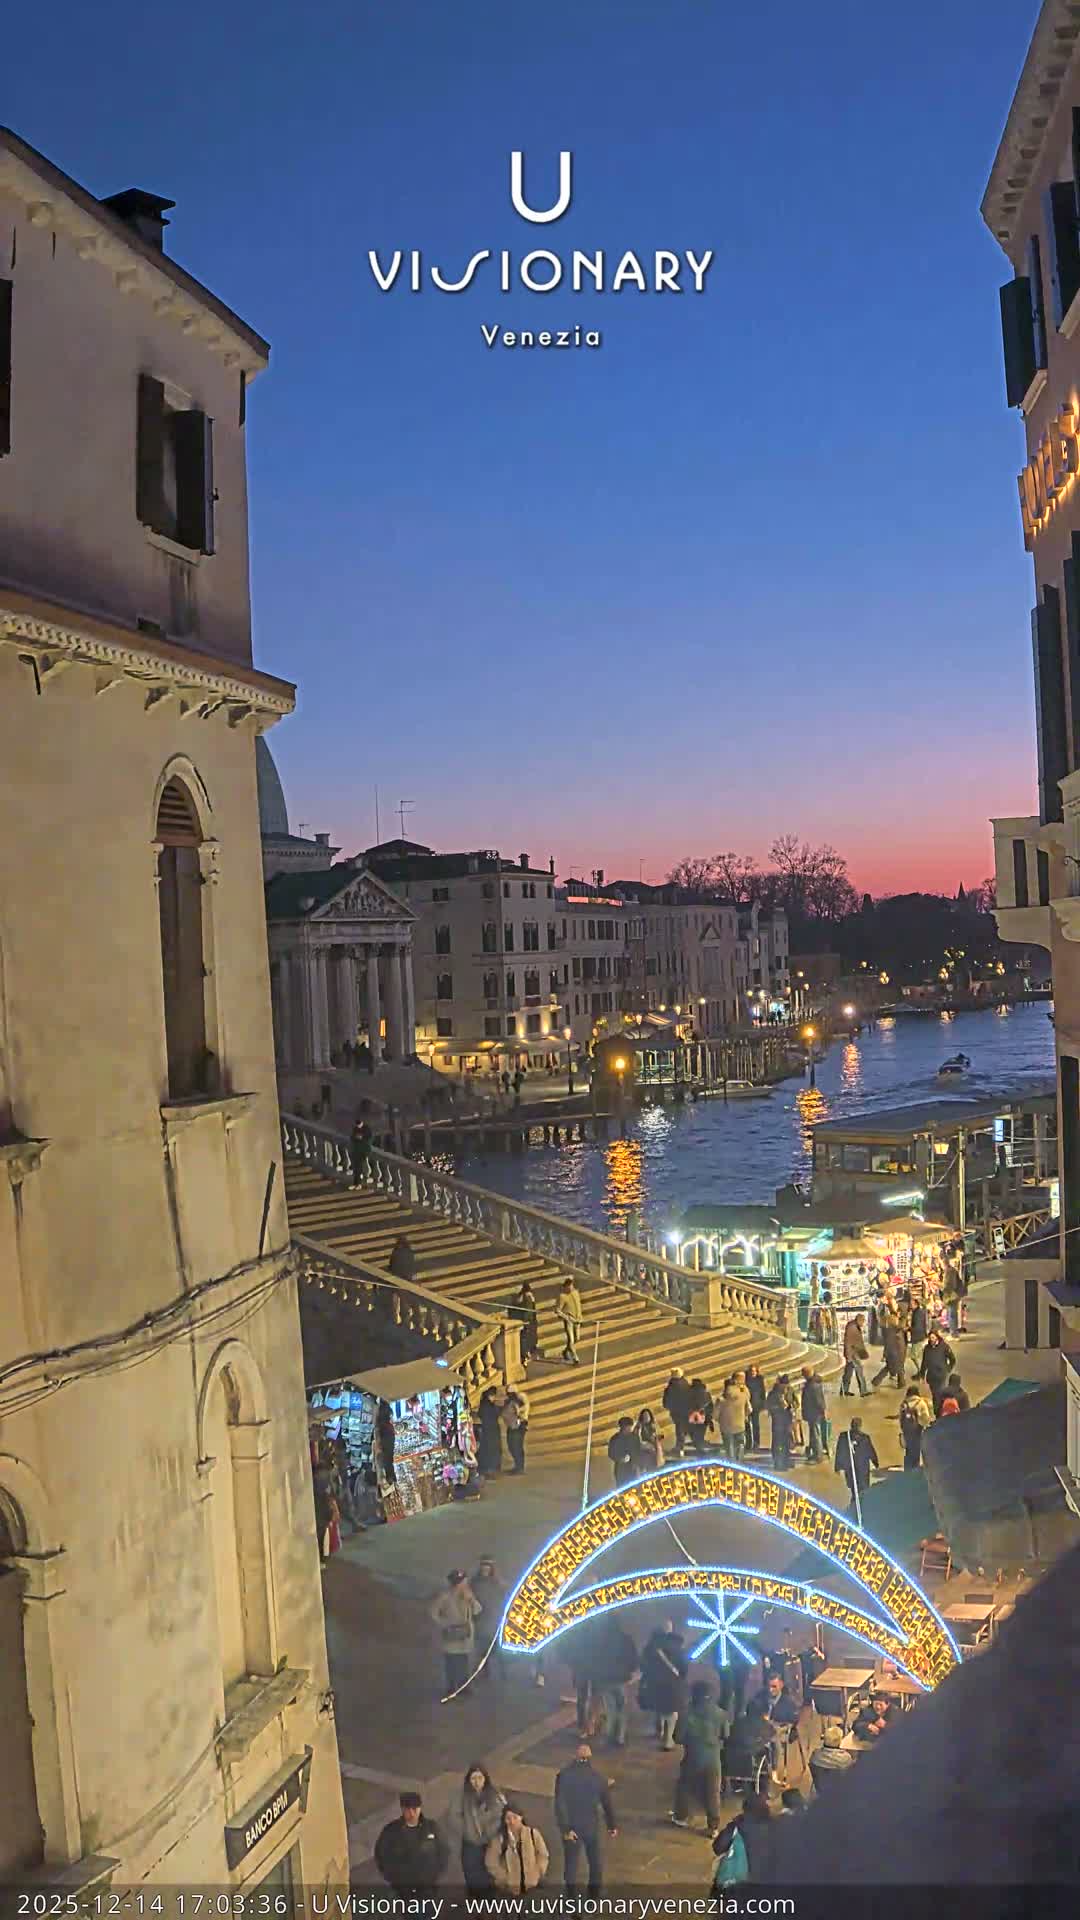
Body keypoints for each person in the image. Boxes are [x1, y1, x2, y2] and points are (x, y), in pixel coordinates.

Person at [554, 1743, 617, 1894]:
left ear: (575, 1756)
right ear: (590, 1758)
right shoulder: (598, 1778)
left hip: (572, 1826)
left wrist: (565, 1828)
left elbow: (560, 1804)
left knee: (571, 1863)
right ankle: (595, 1891)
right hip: (591, 1825)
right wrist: (611, 1825)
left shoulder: (563, 1776)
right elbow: (607, 1803)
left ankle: (571, 1895)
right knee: (594, 1859)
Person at [670, 1680, 731, 1836]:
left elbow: (677, 1737)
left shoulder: (687, 1714)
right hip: (713, 1758)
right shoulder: (721, 1713)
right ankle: (713, 1826)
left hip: (693, 1756)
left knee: (684, 1785)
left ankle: (681, 1816)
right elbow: (726, 1735)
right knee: (713, 1791)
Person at [374, 1792, 449, 1895]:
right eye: (407, 1810)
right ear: (402, 1809)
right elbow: (381, 1855)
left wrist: (434, 1877)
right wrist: (393, 1879)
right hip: (403, 1890)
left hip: (428, 1888)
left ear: (420, 1808)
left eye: (414, 1809)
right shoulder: (391, 1831)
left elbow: (444, 1852)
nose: (412, 1813)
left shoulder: (432, 1828)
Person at [430, 1569, 481, 1695]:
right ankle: (451, 1687)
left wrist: (470, 1600)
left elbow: (478, 1610)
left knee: (464, 1661)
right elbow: (433, 1613)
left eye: (464, 1581)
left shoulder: (468, 1596)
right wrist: (444, 1624)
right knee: (451, 1662)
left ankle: (464, 1686)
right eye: (461, 1582)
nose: (463, 1584)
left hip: (465, 1634)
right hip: (451, 1634)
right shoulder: (445, 1596)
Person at [639, 1619, 687, 1749]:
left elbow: (644, 1665)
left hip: (655, 1683)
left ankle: (659, 1731)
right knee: (672, 1712)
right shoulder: (678, 1646)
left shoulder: (651, 1646)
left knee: (659, 1708)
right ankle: (668, 1739)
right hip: (673, 1684)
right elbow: (683, 1667)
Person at [590, 1618, 638, 1747]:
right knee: (621, 1707)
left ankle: (609, 1735)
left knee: (610, 1708)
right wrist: (630, 1670)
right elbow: (633, 1658)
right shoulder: (626, 1639)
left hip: (605, 1679)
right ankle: (620, 1737)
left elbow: (595, 1659)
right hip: (621, 1679)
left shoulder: (601, 1640)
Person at [456, 1765, 504, 1889]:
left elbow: (501, 1815)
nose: (477, 1782)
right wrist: (466, 1830)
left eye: (479, 1778)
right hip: (470, 1841)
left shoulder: (495, 1796)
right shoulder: (463, 1796)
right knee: (471, 1873)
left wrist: (490, 1832)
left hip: (490, 1841)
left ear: (485, 1779)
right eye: (473, 1779)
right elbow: (454, 1816)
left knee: (490, 1872)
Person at [485, 1805, 549, 1893]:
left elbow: (543, 1855)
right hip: (509, 1889)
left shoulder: (533, 1834)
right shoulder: (500, 1839)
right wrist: (504, 1878)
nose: (512, 1821)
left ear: (521, 1817)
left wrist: (538, 1872)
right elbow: (490, 1861)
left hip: (532, 1886)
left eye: (515, 1817)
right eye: (508, 1818)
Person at [834, 1417, 879, 1514]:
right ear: (860, 1426)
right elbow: (871, 1451)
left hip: (850, 1468)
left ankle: (856, 1504)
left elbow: (839, 1451)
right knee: (861, 1488)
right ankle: (859, 1507)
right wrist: (875, 1462)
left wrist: (838, 1466)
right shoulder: (865, 1438)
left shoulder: (844, 1436)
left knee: (854, 1488)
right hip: (862, 1468)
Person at [470, 1556, 505, 1673]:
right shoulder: (474, 1582)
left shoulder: (497, 1583)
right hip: (481, 1619)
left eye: (488, 1566)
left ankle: (503, 1671)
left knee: (498, 1648)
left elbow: (503, 1598)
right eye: (483, 1566)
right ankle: (485, 1669)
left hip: (494, 1620)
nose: (485, 1569)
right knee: (482, 1646)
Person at [808, 1722, 855, 1796]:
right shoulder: (845, 1758)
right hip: (841, 1791)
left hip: (820, 1788)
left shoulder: (815, 1755)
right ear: (839, 1741)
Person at [918, 1329, 956, 1414]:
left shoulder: (944, 1346)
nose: (931, 1339)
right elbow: (924, 1362)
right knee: (935, 1396)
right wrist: (922, 1375)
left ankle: (940, 1413)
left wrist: (948, 1369)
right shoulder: (927, 1348)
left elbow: (952, 1359)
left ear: (937, 1337)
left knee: (939, 1395)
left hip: (941, 1375)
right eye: (930, 1337)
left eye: (933, 1337)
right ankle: (938, 1413)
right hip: (931, 1376)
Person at [718, 1373, 752, 1462]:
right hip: (740, 1424)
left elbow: (715, 1414)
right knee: (740, 1443)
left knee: (728, 1446)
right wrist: (744, 1416)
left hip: (726, 1425)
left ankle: (731, 1463)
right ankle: (738, 1461)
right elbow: (749, 1409)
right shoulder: (744, 1393)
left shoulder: (721, 1399)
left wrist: (720, 1419)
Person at [899, 1385, 932, 1469]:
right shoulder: (921, 1403)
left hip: (907, 1431)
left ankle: (907, 1469)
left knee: (908, 1450)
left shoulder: (904, 1403)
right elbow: (926, 1418)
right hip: (918, 1430)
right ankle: (915, 1469)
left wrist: (903, 1428)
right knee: (916, 1450)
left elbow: (901, 1419)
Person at [765, 1375, 794, 1470]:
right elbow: (768, 1406)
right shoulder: (773, 1394)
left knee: (786, 1441)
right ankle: (778, 1462)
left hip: (787, 1420)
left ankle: (786, 1460)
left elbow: (795, 1403)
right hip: (778, 1421)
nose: (785, 1388)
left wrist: (791, 1406)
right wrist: (779, 1408)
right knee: (778, 1442)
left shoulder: (790, 1391)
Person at [800, 1367, 828, 1463]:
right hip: (813, 1413)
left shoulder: (812, 1386)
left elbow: (818, 1401)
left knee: (816, 1434)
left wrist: (822, 1411)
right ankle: (815, 1453)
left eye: (804, 1374)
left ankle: (818, 1456)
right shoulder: (813, 1383)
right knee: (814, 1433)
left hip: (814, 1413)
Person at [874, 1314, 908, 1390]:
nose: (897, 1320)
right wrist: (904, 1316)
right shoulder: (893, 1331)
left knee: (890, 1367)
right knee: (898, 1368)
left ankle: (876, 1381)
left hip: (894, 1353)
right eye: (896, 1319)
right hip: (895, 1353)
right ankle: (901, 1383)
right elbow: (889, 1344)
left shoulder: (890, 1330)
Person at [841, 1314, 872, 1397]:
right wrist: (848, 1356)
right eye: (863, 1321)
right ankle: (863, 1391)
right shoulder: (852, 1328)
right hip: (853, 1354)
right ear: (859, 1320)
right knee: (860, 1372)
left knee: (848, 1373)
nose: (863, 1323)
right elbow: (848, 1342)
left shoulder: (854, 1326)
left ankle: (844, 1390)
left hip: (852, 1354)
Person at [663, 1367, 692, 1453]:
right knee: (682, 1427)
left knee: (679, 1429)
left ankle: (680, 1447)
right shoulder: (685, 1383)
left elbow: (668, 1399)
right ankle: (683, 1443)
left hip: (677, 1411)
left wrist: (668, 1406)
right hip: (686, 1410)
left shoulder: (672, 1386)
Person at [476, 1386, 504, 1475]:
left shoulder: (484, 1404)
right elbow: (494, 1414)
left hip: (488, 1429)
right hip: (491, 1430)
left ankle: (489, 1468)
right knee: (491, 1450)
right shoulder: (488, 1406)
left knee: (488, 1449)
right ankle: (491, 1469)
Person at [501, 1389, 530, 1474]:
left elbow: (523, 1410)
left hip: (519, 1426)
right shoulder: (510, 1402)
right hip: (512, 1426)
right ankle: (518, 1466)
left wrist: (518, 1411)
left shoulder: (520, 1400)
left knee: (517, 1446)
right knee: (512, 1446)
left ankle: (519, 1467)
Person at [607, 1416, 641, 1487]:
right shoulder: (615, 1439)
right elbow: (611, 1453)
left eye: (630, 1427)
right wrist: (620, 1459)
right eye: (627, 1427)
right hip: (621, 1470)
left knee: (635, 1488)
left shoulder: (634, 1437)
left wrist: (638, 1467)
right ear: (622, 1427)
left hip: (633, 1469)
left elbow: (638, 1451)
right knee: (623, 1489)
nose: (629, 1429)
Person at [556, 1277, 584, 1364]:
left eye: (572, 1286)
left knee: (577, 1338)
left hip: (577, 1319)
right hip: (569, 1321)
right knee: (571, 1340)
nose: (571, 1288)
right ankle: (575, 1357)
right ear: (565, 1287)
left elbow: (578, 1305)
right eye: (569, 1287)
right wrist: (566, 1317)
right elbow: (557, 1310)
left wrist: (580, 1316)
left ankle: (565, 1351)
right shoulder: (562, 1296)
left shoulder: (576, 1293)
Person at [686, 1378, 713, 1454]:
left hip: (691, 1417)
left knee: (694, 1433)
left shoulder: (688, 1393)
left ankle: (698, 1446)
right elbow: (710, 1407)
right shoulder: (706, 1393)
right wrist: (709, 1418)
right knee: (700, 1433)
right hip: (702, 1416)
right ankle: (700, 1447)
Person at [516, 1281, 540, 1367]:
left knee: (526, 1339)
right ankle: (525, 1356)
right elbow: (528, 1311)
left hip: (528, 1321)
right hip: (527, 1321)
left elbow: (531, 1311)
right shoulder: (526, 1298)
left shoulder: (526, 1298)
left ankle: (526, 1355)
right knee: (525, 1340)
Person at [745, 1364, 767, 1452]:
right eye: (751, 1371)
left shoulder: (760, 1380)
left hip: (756, 1405)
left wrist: (763, 1404)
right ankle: (748, 1443)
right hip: (747, 1404)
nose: (752, 1373)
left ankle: (757, 1443)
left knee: (756, 1425)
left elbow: (763, 1392)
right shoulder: (746, 1379)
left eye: (754, 1371)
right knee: (747, 1425)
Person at [375, 1398, 396, 1486]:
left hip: (389, 1438)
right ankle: (383, 1402)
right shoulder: (386, 1465)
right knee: (383, 1419)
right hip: (386, 1438)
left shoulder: (389, 1465)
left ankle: (384, 1402)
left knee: (384, 1419)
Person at [349, 1115, 373, 1187]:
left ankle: (358, 1183)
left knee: (359, 1168)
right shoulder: (355, 1129)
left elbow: (368, 1139)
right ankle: (356, 1183)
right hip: (356, 1151)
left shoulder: (366, 1129)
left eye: (359, 1125)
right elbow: (352, 1137)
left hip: (363, 1151)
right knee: (356, 1168)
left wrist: (360, 1138)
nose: (358, 1126)